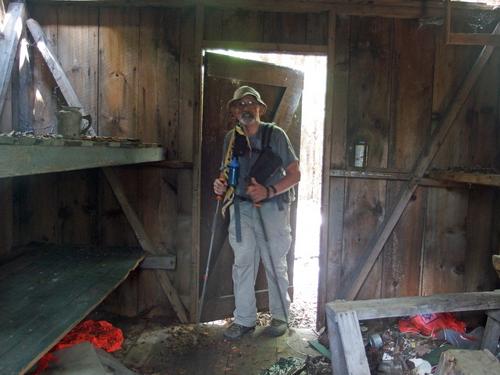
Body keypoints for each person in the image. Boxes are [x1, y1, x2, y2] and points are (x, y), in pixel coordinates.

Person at [213, 86, 300, 340]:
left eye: (251, 103)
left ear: (260, 108)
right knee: (242, 263)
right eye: (240, 104)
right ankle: (244, 320)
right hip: (241, 210)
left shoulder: (276, 135)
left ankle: (281, 316)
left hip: (273, 209)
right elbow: (226, 173)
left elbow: (295, 174)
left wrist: (269, 190)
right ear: (234, 111)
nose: (245, 108)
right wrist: (220, 184)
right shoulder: (231, 137)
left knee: (274, 262)